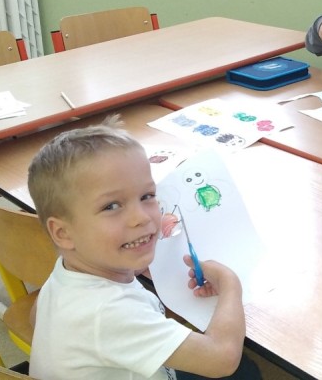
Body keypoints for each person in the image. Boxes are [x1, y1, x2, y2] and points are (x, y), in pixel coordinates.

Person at [26, 116, 259, 380]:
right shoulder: (107, 313)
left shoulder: (68, 273)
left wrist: (129, 266)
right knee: (244, 372)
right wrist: (230, 284)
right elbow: (222, 359)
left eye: (147, 196)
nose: (142, 217)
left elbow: (35, 319)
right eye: (112, 206)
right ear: (63, 233)